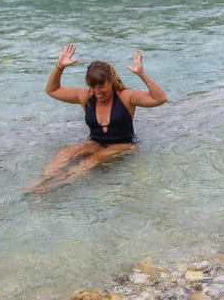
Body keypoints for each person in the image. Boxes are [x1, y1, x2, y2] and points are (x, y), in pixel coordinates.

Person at [26, 44, 167, 192]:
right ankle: (40, 182)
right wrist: (59, 67)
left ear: (111, 82)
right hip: (95, 142)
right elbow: (52, 90)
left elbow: (160, 99)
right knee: (65, 153)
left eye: (101, 86)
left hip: (124, 144)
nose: (97, 92)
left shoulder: (126, 96)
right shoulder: (85, 96)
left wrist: (141, 74)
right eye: (92, 86)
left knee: (92, 160)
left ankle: (52, 188)